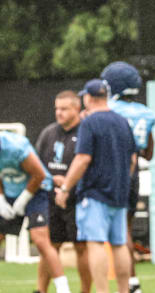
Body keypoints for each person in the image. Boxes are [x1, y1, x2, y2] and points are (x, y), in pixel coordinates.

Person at [55, 79, 137, 293]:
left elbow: (82, 159)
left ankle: (101, 291)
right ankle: (123, 290)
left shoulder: (89, 123)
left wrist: (65, 189)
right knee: (119, 244)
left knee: (96, 243)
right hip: (119, 194)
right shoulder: (122, 121)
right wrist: (122, 183)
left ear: (88, 98)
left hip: (95, 192)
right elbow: (133, 160)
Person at [102, 61, 155, 293]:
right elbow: (149, 153)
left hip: (115, 173)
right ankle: (132, 282)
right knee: (126, 227)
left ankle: (131, 285)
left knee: (118, 231)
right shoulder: (145, 113)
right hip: (134, 175)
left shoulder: (111, 112)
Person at [0, 130, 72, 293]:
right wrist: (1, 198)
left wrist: (23, 199)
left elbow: (39, 175)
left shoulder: (15, 147)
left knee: (40, 240)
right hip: (10, 192)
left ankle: (63, 289)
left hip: (36, 191)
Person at [35, 91, 92, 293]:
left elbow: (88, 164)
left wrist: (68, 182)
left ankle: (85, 291)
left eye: (64, 109)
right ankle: (41, 290)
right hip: (50, 199)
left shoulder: (86, 132)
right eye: (57, 109)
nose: (59, 113)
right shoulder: (48, 133)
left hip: (77, 199)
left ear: (77, 108)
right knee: (49, 246)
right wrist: (52, 179)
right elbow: (37, 164)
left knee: (81, 247)